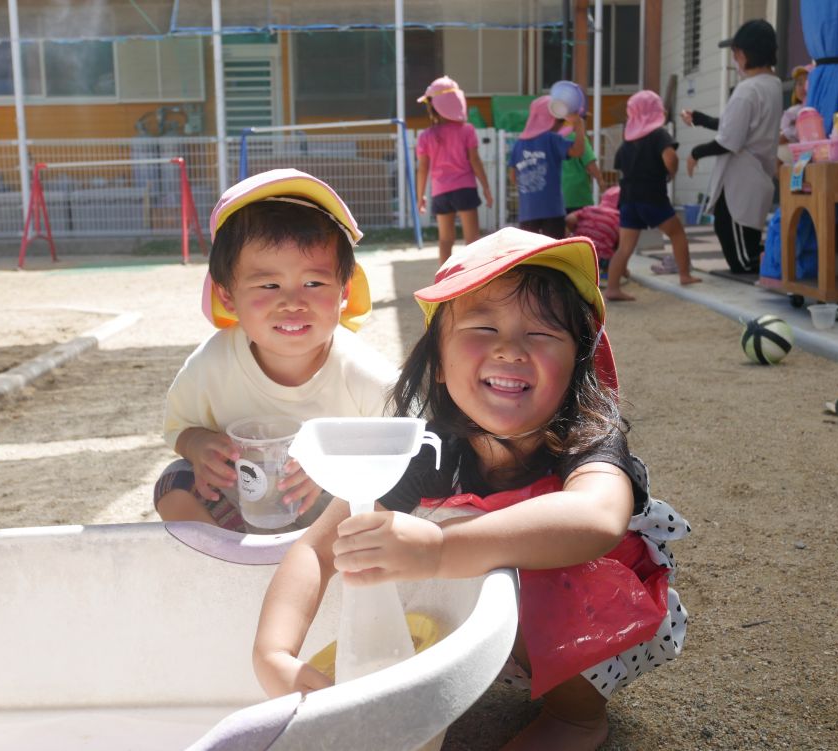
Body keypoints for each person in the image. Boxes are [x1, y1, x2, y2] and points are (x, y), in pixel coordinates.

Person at [253, 227, 689, 751]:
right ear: (437, 363)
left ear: (576, 365)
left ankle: (576, 716)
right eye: (483, 327)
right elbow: (317, 547)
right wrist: (274, 653)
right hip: (507, 621)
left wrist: (439, 548)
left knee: (516, 557)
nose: (509, 350)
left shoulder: (587, 439)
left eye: (542, 334)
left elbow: (595, 520)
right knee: (385, 547)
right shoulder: (427, 449)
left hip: (603, 616)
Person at [154, 168, 398, 532]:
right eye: (268, 284)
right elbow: (179, 427)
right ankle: (231, 563)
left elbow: (400, 449)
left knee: (386, 499)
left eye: (314, 282)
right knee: (174, 483)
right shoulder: (212, 364)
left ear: (344, 292)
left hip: (332, 523)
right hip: (244, 509)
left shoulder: (365, 374)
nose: (292, 302)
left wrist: (337, 471)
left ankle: (311, 568)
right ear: (227, 295)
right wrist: (198, 445)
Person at [683, 19, 783, 274]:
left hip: (741, 177)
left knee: (741, 256)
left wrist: (696, 153)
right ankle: (775, 261)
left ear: (747, 53)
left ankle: (774, 267)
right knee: (744, 238)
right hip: (757, 173)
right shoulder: (773, 85)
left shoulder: (747, 90)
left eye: (737, 52)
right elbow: (735, 126)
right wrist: (701, 119)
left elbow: (729, 141)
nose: (735, 58)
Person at [605, 90, 702, 301]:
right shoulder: (659, 135)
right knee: (676, 233)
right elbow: (671, 157)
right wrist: (671, 171)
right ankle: (685, 275)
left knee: (625, 247)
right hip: (652, 197)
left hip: (628, 200)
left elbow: (621, 167)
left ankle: (612, 288)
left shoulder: (626, 144)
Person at [415, 76, 494, 265]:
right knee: (472, 240)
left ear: (433, 106)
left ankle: (444, 284)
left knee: (445, 240)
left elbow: (423, 168)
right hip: (465, 189)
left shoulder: (426, 136)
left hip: (440, 192)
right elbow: (475, 160)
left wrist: (420, 197)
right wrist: (486, 188)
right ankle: (474, 280)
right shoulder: (467, 130)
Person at [509, 95, 587, 239]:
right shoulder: (552, 139)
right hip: (552, 210)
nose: (560, 125)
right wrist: (579, 126)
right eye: (559, 120)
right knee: (554, 253)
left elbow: (513, 176)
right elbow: (578, 151)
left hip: (528, 211)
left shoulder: (518, 144)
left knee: (529, 254)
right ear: (549, 119)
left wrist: (529, 189)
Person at [562, 135, 605, 216]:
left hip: (557, 197)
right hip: (578, 196)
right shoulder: (578, 138)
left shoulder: (552, 137)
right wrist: (601, 183)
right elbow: (590, 164)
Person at [779, 64, 811, 146]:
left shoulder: (818, 110)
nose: (803, 88)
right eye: (799, 83)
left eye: (807, 83)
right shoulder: (793, 111)